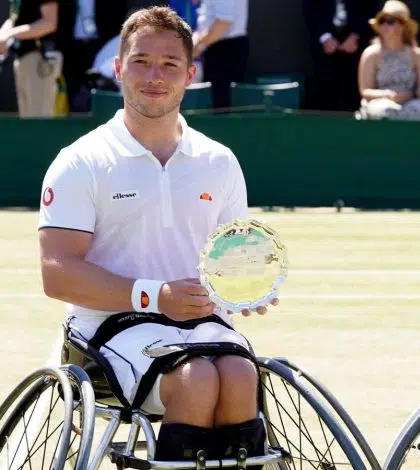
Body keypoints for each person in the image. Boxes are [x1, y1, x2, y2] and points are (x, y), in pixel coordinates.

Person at [38, 6, 277, 463]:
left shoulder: (219, 161)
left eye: (169, 65)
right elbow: (57, 273)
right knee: (196, 379)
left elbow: (233, 254)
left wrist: (245, 287)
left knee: (242, 375)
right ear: (118, 68)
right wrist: (155, 296)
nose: (154, 76)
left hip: (201, 326)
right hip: (104, 332)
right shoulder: (81, 160)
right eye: (141, 61)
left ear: (190, 74)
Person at [357, 1, 420, 120]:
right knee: (385, 112)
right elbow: (365, 90)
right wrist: (388, 95)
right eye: (382, 22)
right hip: (379, 103)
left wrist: (414, 94)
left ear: (403, 26)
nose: (384, 26)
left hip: (410, 104)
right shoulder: (370, 54)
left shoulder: (418, 55)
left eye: (390, 22)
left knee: (419, 111)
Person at [0, 0, 60, 117]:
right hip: (22, 57)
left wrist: (9, 35)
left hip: (41, 59)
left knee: (39, 120)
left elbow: (49, 23)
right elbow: (14, 18)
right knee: (27, 119)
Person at [193, 0, 249, 111]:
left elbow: (224, 22)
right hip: (220, 47)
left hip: (224, 50)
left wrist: (197, 47)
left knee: (222, 106)